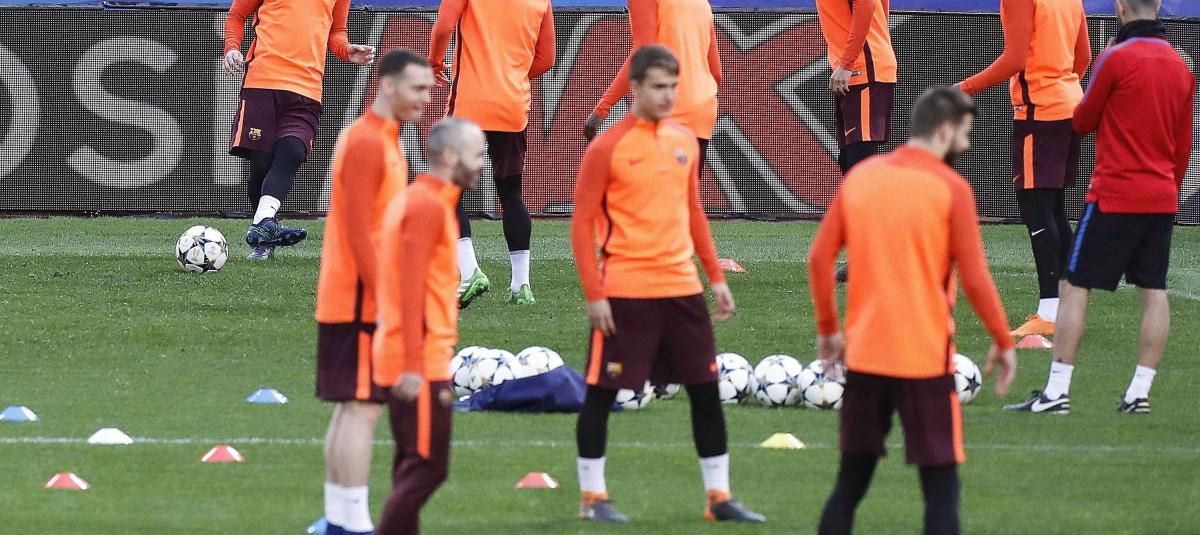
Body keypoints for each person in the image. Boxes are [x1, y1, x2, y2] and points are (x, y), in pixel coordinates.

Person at [808, 87, 1017, 535]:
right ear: (943, 130)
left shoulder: (862, 176)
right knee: (941, 489)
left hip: (865, 357)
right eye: (964, 134)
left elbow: (820, 258)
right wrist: (1003, 340)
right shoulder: (952, 188)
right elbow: (976, 277)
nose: (966, 145)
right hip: (924, 361)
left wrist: (828, 330)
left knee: (849, 486)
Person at [570, 45, 764, 525]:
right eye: (659, 86)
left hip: (682, 291)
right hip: (626, 292)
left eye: (674, 86)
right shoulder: (606, 148)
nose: (668, 95)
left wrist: (715, 278)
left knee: (705, 390)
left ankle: (719, 498)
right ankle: (593, 498)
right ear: (634, 88)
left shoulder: (684, 142)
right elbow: (581, 225)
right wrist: (595, 294)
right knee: (601, 392)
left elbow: (693, 212)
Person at [1005, 0, 1194, 415]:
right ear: (1158, 5)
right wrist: (1170, 190)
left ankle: (1057, 392)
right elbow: (1183, 145)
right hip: (1161, 195)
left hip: (1114, 192)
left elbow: (1082, 120)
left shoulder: (1116, 58)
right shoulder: (1180, 66)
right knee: (1154, 292)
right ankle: (1138, 394)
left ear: (1121, 7)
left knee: (1074, 286)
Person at [314, 49, 433, 535]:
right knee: (364, 408)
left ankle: (338, 519)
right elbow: (359, 230)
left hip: (350, 293)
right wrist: (384, 299)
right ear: (387, 86)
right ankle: (355, 523)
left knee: (353, 406)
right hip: (359, 296)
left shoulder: (383, 136)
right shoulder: (367, 141)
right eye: (418, 88)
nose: (426, 98)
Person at [373, 118, 487, 535]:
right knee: (427, 467)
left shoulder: (430, 200)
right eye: (477, 155)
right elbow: (410, 287)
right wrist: (410, 365)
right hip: (418, 362)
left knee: (411, 466)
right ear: (450, 156)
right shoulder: (427, 206)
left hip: (416, 356)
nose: (482, 164)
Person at [955, 0, 1091, 336]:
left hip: (1040, 112)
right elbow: (1083, 57)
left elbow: (1014, 59)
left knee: (1038, 209)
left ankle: (1049, 313)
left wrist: (965, 88)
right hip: (1069, 104)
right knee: (1054, 209)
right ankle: (1066, 309)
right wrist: (1062, 84)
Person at [223, 0, 376, 261]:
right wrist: (232, 48)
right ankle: (264, 237)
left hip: (307, 87)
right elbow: (236, 15)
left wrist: (346, 50)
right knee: (261, 164)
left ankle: (262, 228)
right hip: (263, 80)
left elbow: (336, 32)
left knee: (292, 150)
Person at [427, 0, 556, 308]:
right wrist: (511, 77)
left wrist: (434, 63)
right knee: (510, 192)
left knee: (446, 189)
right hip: (512, 105)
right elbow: (547, 58)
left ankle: (470, 271)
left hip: (470, 102)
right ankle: (521, 286)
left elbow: (443, 28)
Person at [815, 0, 899, 284]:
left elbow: (866, 6)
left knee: (860, 166)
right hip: (856, 70)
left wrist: (847, 63)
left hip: (863, 70)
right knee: (850, 163)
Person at [585, 0, 722, 165]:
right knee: (683, 182)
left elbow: (643, 54)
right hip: (701, 111)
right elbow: (716, 73)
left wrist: (602, 108)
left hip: (663, 110)